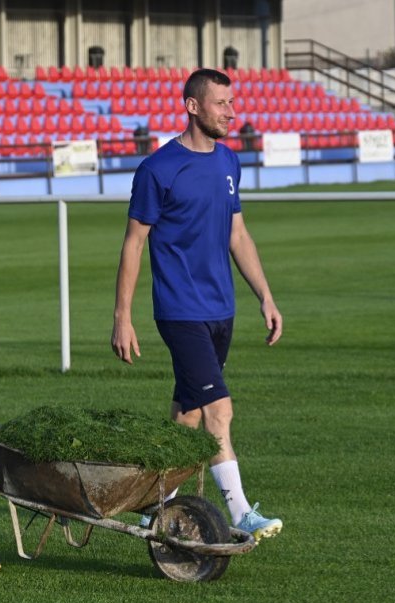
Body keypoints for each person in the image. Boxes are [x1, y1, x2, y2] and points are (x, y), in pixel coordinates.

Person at [110, 68, 284, 541]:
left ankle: (153, 505)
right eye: (221, 103)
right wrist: (122, 318)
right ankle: (241, 510)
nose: (231, 111)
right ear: (192, 106)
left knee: (187, 416)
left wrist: (264, 295)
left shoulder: (229, 162)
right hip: (179, 311)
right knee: (218, 409)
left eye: (232, 102)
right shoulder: (157, 170)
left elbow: (237, 234)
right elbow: (133, 244)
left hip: (220, 310)